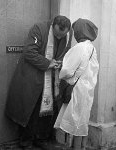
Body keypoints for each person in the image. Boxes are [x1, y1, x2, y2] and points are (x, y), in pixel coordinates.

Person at [5, 15, 72, 149]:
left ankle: (41, 139)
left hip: (53, 80)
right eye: (57, 35)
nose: (59, 38)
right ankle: (26, 141)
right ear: (53, 25)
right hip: (34, 77)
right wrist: (48, 63)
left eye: (62, 36)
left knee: (48, 112)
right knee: (31, 111)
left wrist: (61, 62)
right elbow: (29, 52)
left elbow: (66, 53)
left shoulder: (68, 35)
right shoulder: (39, 29)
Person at [54, 18, 99, 150]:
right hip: (86, 90)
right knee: (80, 122)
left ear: (79, 31)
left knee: (71, 122)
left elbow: (67, 71)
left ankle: (71, 147)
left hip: (75, 90)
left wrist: (61, 71)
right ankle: (80, 147)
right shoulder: (92, 48)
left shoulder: (79, 47)